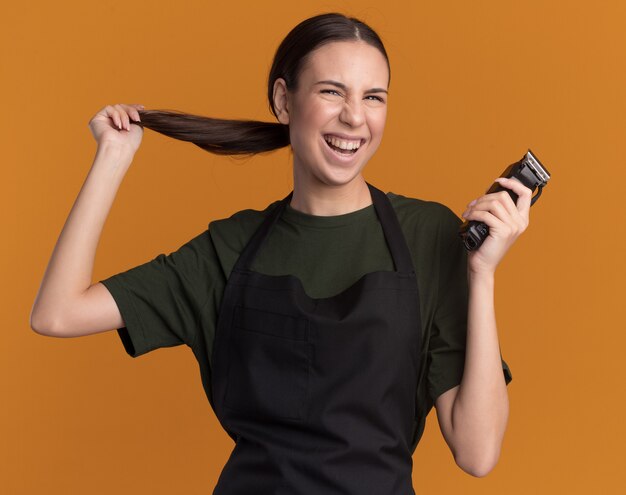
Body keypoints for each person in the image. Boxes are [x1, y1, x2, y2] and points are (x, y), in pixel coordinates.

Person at [30, 12, 530, 494]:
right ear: (283, 100)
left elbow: (477, 452)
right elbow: (57, 312)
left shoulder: (429, 236)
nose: (354, 116)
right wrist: (112, 160)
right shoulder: (229, 249)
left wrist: (481, 275)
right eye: (331, 91)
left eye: (373, 97)